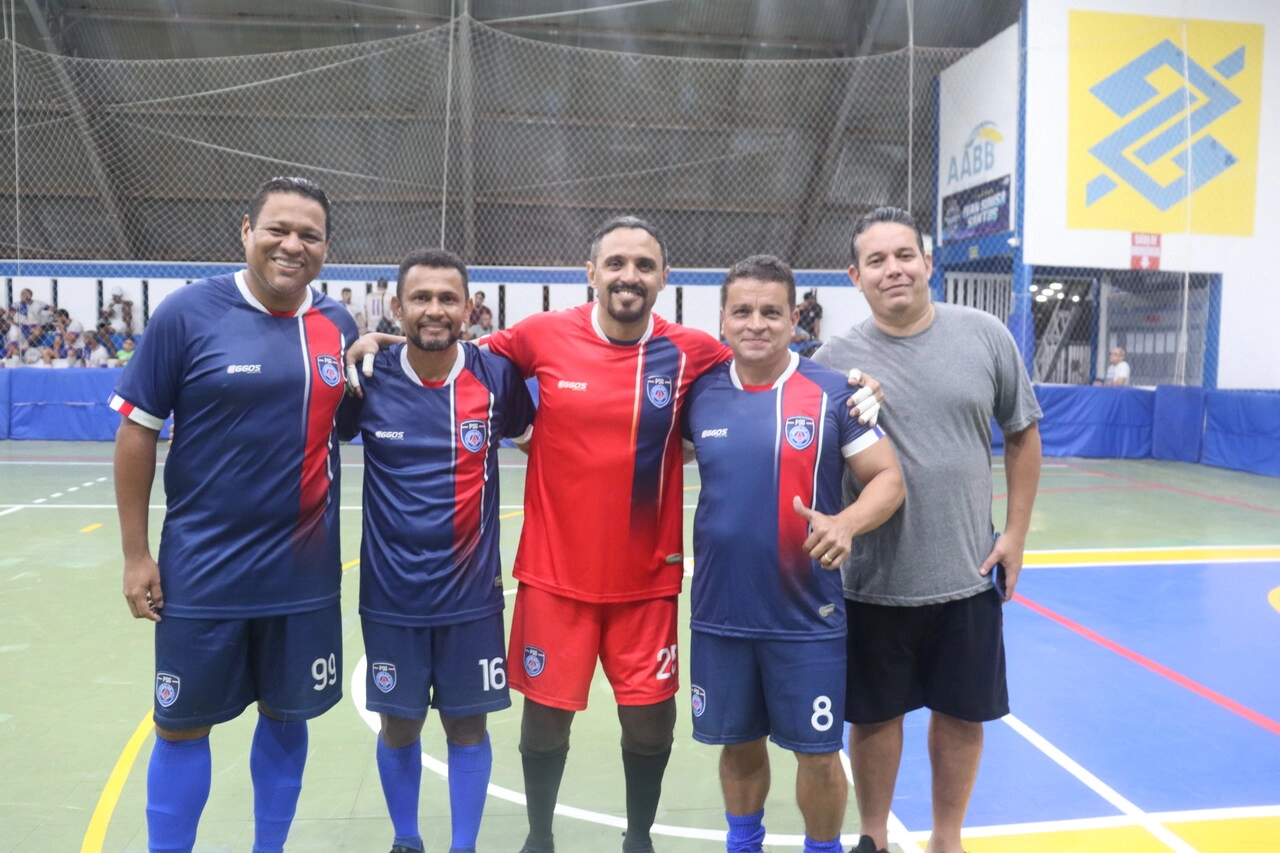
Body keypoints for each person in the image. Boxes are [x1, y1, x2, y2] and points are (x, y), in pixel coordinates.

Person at [110, 176, 359, 853]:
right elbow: (138, 431)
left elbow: (361, 419)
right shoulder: (187, 314)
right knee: (181, 725)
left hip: (303, 579)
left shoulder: (338, 325)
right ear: (246, 229)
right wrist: (136, 555)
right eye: (278, 228)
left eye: (309, 234)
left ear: (326, 247)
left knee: (287, 717)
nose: (291, 244)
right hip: (203, 573)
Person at [812, 206, 1042, 853]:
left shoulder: (986, 335)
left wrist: (1016, 533)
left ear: (928, 261)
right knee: (876, 717)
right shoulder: (835, 361)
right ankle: (874, 836)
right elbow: (814, 460)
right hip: (875, 582)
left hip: (966, 572)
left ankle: (947, 839)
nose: (894, 269)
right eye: (877, 260)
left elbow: (1023, 434)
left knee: (963, 714)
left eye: (904, 255)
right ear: (855, 276)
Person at [682, 255, 904, 853]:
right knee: (739, 743)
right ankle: (742, 844)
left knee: (819, 753)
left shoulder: (834, 393)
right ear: (723, 321)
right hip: (721, 611)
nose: (757, 323)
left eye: (771, 312)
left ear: (794, 320)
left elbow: (887, 478)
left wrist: (846, 522)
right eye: (743, 311)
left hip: (808, 617)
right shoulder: (698, 396)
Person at [337, 248, 536, 853]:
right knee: (400, 724)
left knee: (467, 724)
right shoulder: (367, 378)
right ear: (396, 307)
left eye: (448, 298)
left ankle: (464, 846)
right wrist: (354, 350)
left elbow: (545, 447)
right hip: (391, 595)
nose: (434, 310)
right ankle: (407, 839)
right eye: (420, 298)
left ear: (468, 308)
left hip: (471, 597)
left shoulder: (495, 376)